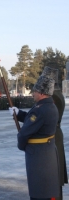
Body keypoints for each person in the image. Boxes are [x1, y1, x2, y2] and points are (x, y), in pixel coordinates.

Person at [9, 71, 60, 200]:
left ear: (42, 93)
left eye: (35, 91)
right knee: (47, 190)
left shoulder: (40, 109)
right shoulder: (49, 106)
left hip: (38, 156)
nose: (33, 94)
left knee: (40, 192)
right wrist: (19, 113)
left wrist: (21, 146)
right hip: (47, 153)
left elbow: (24, 133)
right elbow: (33, 121)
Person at [42, 66, 68, 200]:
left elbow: (47, 117)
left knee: (54, 175)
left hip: (52, 137)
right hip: (54, 136)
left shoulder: (54, 97)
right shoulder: (55, 94)